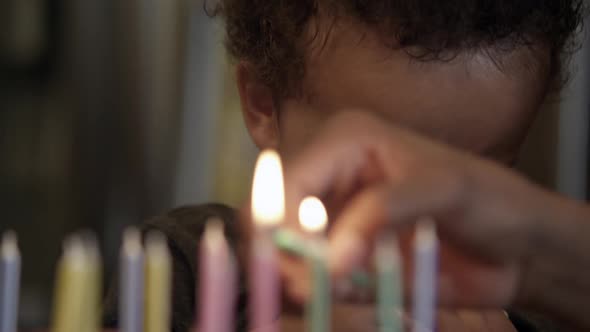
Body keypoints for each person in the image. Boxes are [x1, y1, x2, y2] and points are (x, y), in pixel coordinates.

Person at [101, 0, 586, 331]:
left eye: (482, 172)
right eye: (371, 174)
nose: (416, 228)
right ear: (263, 105)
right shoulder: (175, 276)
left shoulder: (536, 310)